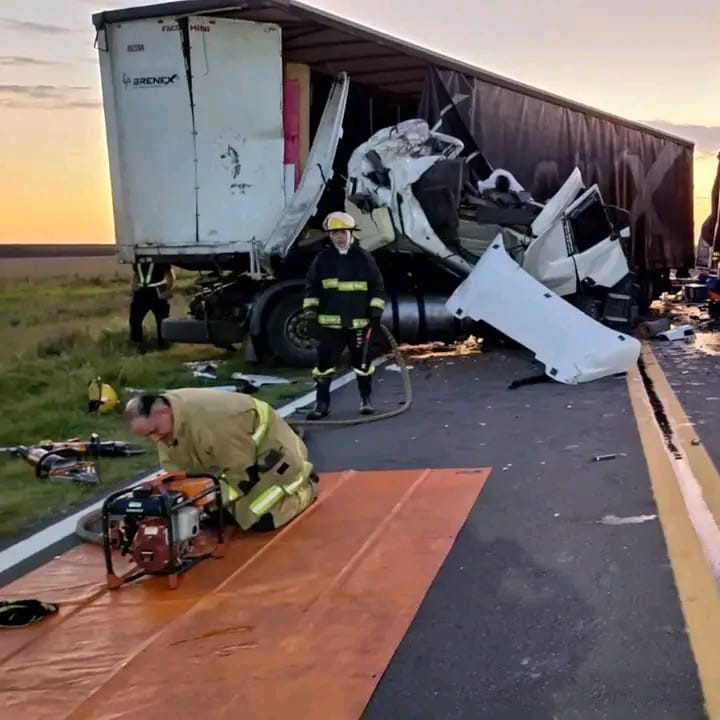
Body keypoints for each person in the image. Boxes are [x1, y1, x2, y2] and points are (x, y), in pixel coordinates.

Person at [123, 388, 319, 532]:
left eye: (154, 431)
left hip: (271, 456)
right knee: (218, 518)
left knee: (261, 519)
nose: (155, 440)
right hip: (234, 460)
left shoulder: (214, 421)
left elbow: (241, 473)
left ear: (163, 412)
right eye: (147, 436)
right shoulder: (168, 422)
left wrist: (207, 500)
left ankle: (306, 486)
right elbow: (177, 471)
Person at [302, 211, 386, 420]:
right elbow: (312, 288)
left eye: (343, 232)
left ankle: (366, 401)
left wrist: (375, 313)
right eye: (335, 233)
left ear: (351, 234)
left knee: (363, 365)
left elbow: (377, 287)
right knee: (323, 367)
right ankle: (321, 405)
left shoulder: (363, 257)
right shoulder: (322, 259)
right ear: (330, 236)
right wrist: (310, 314)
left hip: (358, 324)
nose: (339, 237)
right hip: (329, 326)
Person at [129, 260, 175, 352]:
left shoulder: (160, 258)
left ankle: (163, 346)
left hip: (158, 291)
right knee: (135, 320)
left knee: (161, 321)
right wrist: (133, 287)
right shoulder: (137, 258)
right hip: (141, 292)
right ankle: (137, 346)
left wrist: (168, 289)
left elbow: (169, 274)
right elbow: (136, 274)